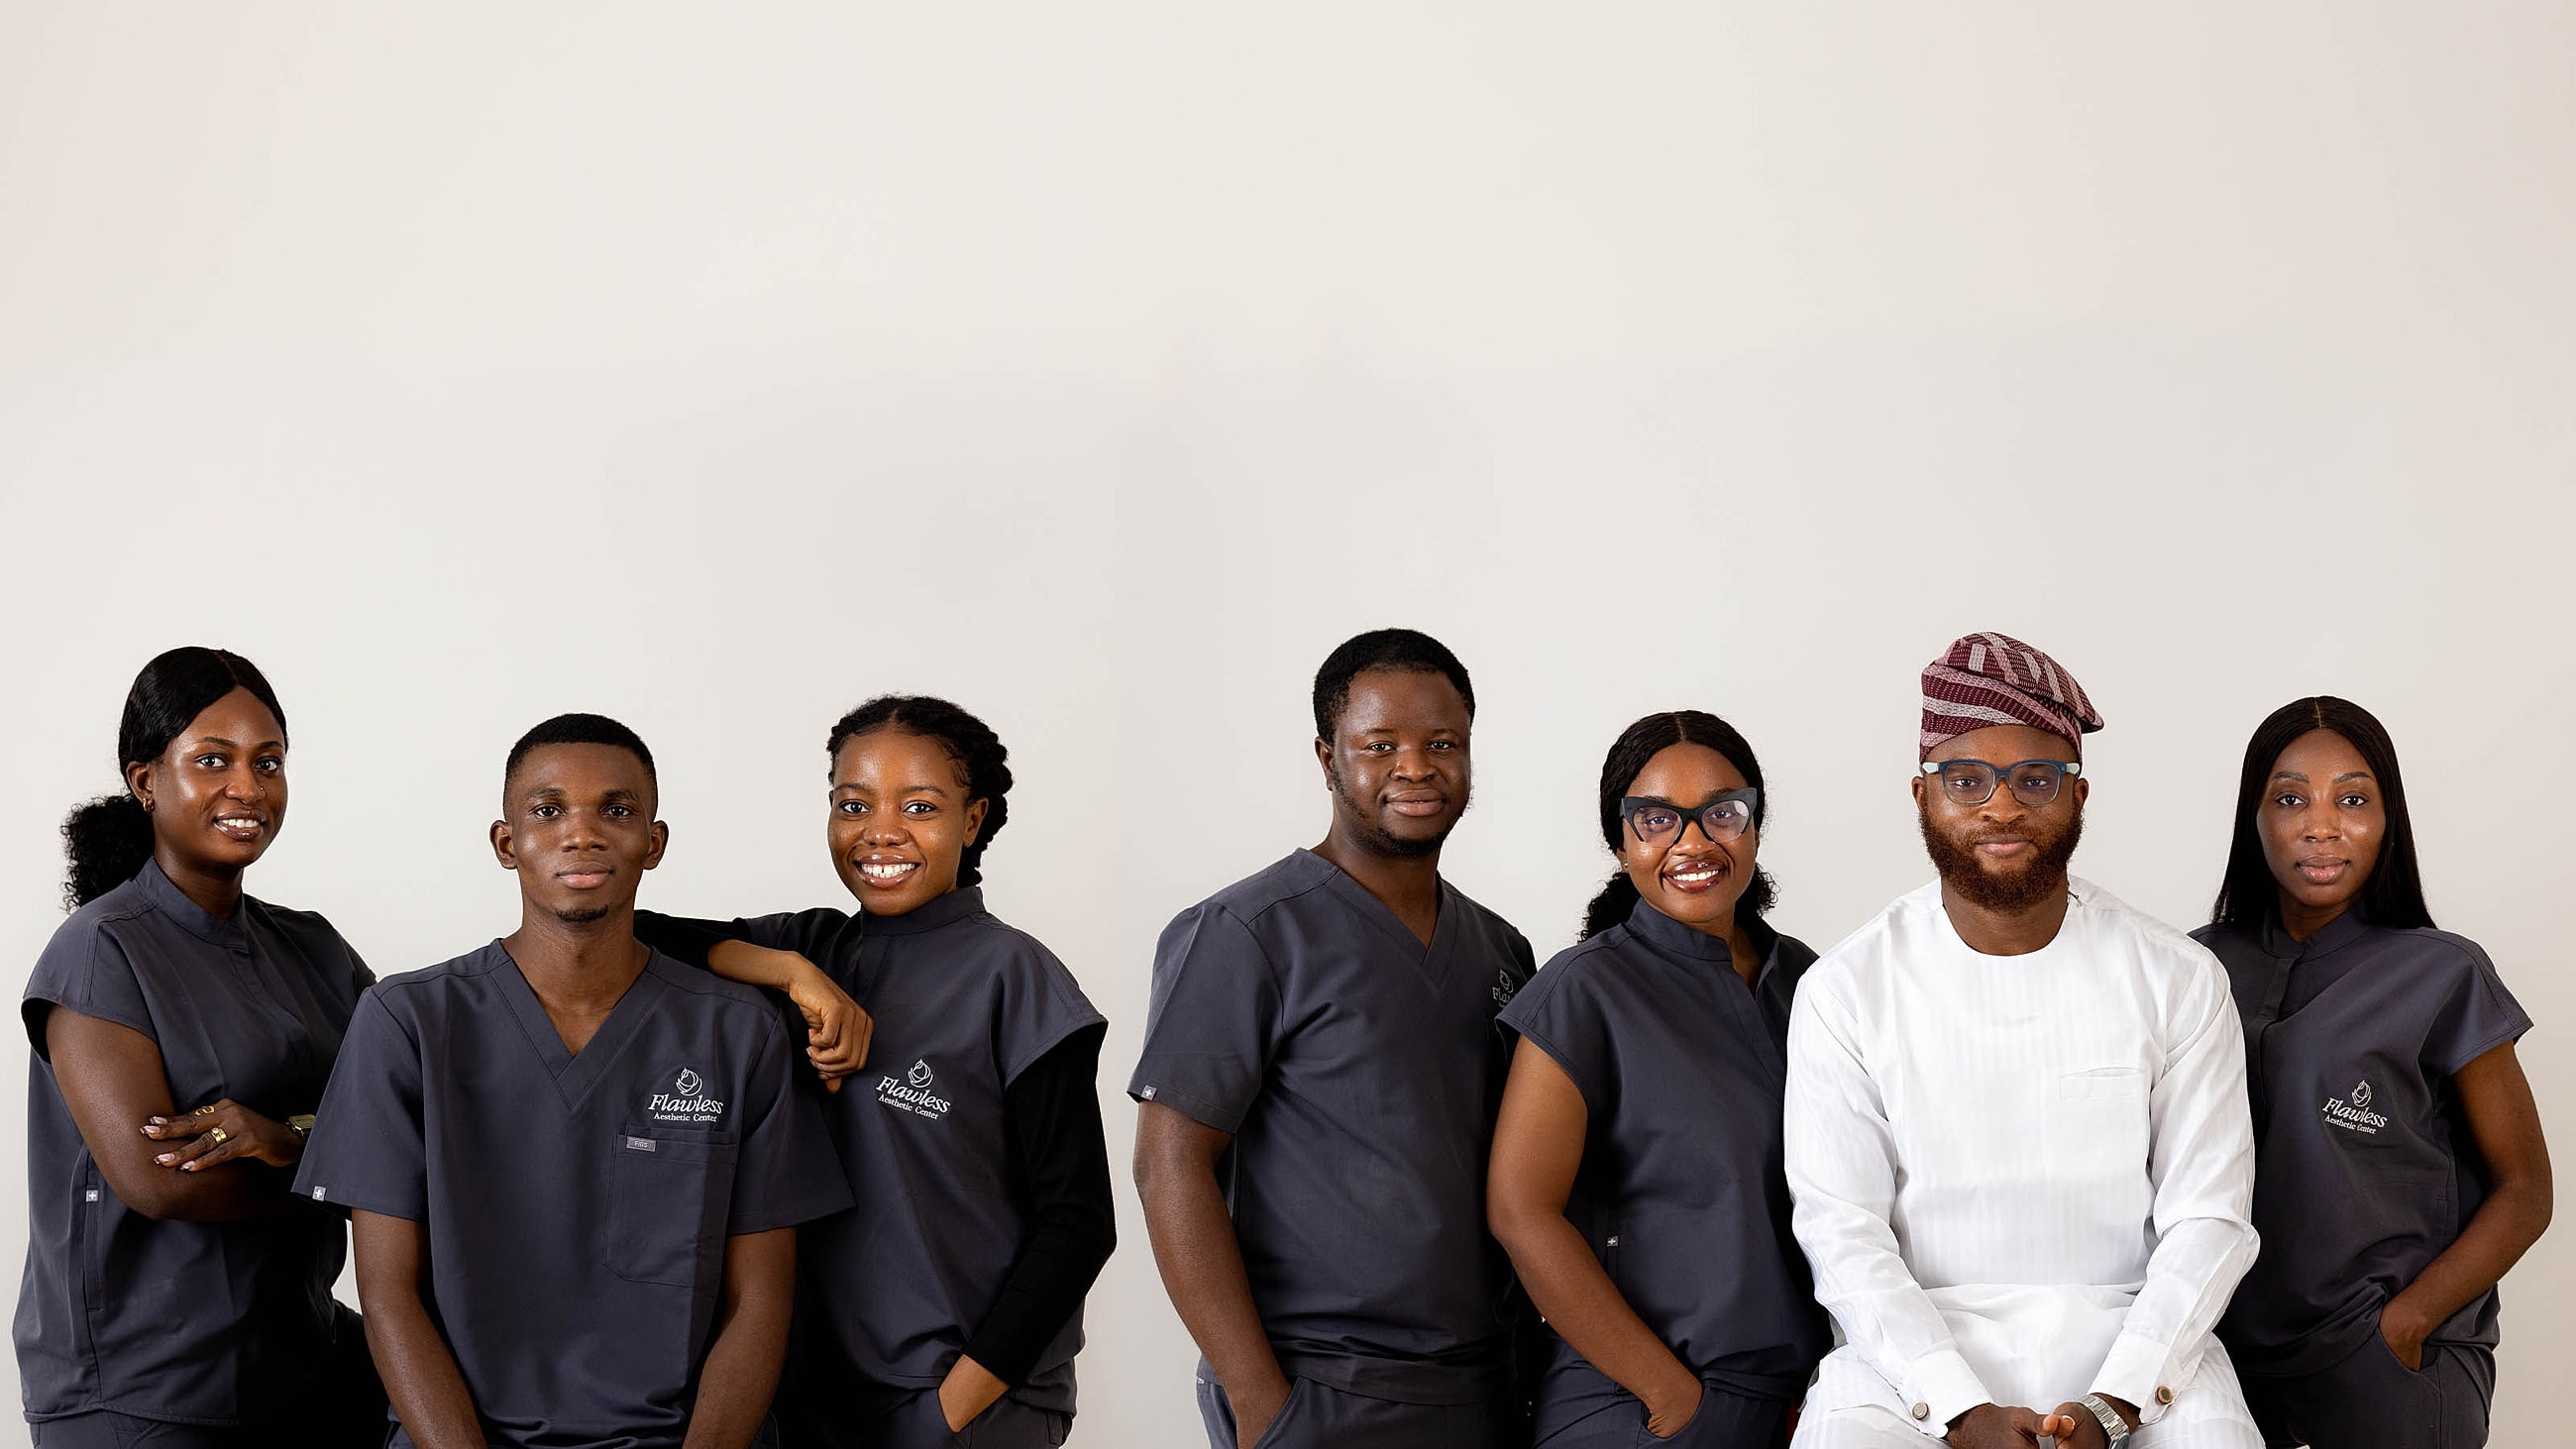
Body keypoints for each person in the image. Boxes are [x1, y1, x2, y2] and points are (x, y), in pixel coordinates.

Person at [291, 713, 850, 1449]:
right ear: (506, 842)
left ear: (654, 842)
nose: (580, 833)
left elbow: (763, 1296)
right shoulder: (408, 1021)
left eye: (615, 810)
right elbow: (388, 1292)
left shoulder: (738, 1033)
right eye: (548, 810)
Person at [1784, 631, 2262, 1449]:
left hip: (2138, 1347)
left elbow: (2209, 1220)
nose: (2000, 806)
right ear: (1921, 794)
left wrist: (2115, 1405)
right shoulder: (1846, 988)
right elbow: (1843, 1232)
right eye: (1965, 779)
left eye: (2034, 779)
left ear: (2078, 796)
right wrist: (1958, 1406)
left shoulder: (2177, 977)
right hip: (1909, 1358)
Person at [631, 695, 1116, 1449]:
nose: (880, 831)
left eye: (920, 805)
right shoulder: (816, 945)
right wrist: (792, 971)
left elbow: (1079, 1226)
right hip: (810, 1408)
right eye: (853, 803)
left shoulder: (1016, 978)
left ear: (974, 818)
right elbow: (632, 935)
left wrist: (948, 1411)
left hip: (964, 1410)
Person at [1130, 627, 1538, 1449]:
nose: (1415, 767)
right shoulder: (1244, 933)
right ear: (1327, 758)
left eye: (1443, 743)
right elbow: (1167, 1163)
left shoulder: (1502, 950)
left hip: (1482, 1389)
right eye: (1379, 744)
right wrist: (1259, 1402)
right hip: (1322, 1390)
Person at [19, 647, 386, 1449]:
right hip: (143, 1389)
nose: (247, 788)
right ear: (146, 780)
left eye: (269, 761)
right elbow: (164, 1182)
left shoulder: (313, 948)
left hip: (296, 1355)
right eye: (212, 760)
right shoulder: (99, 952)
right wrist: (338, 1153)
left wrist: (281, 1138)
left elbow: (411, 1112)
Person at [2193, 697, 2551, 1449]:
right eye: (2290, 798)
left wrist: (2406, 1324)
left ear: (2389, 818)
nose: (2321, 825)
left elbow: (2526, 1190)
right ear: (2253, 817)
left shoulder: (2443, 972)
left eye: (2352, 799)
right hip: (2220, 1367)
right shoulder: (2195, 966)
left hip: (2381, 1361)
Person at [1489, 711, 1831, 1448]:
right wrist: (1670, 1395)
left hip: (1808, 1408)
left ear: (1755, 825)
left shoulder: (1810, 979)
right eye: (1656, 819)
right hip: (1642, 1408)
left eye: (1722, 813)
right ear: (1620, 842)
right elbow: (1520, 1211)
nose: (1694, 842)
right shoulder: (1584, 991)